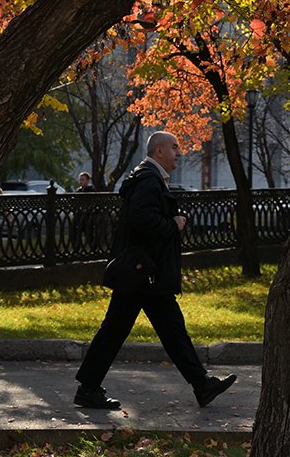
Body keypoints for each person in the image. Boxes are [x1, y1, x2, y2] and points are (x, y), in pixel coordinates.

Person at [74, 131, 236, 410]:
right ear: (159, 150)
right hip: (145, 275)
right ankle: (201, 384)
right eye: (175, 147)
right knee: (159, 331)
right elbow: (141, 217)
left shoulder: (146, 177)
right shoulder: (149, 179)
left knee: (144, 330)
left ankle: (201, 385)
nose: (179, 153)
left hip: (143, 274)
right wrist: (173, 224)